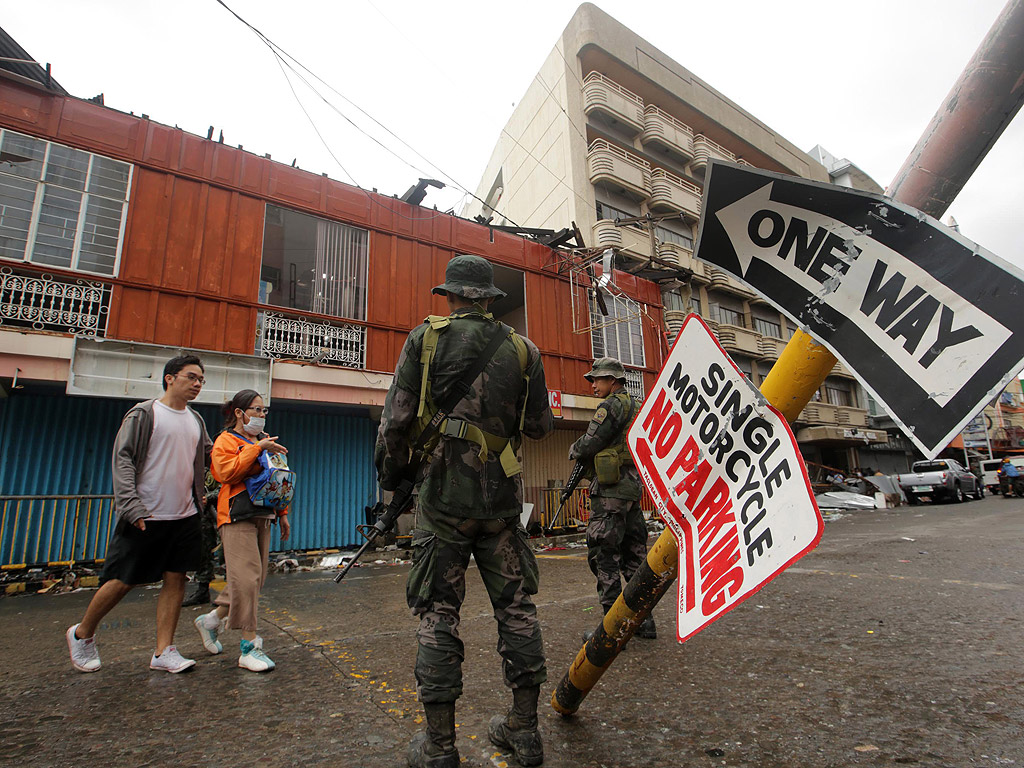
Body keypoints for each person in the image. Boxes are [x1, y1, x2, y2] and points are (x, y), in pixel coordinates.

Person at [376, 254, 554, 768]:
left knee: (438, 613)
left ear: (450, 296)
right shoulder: (524, 350)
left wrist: (396, 482)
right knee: (517, 609)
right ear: (490, 300)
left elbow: (395, 424)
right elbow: (541, 427)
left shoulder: (425, 339)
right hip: (501, 504)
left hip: (442, 503)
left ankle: (439, 746)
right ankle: (524, 731)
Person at [66, 355, 212, 674]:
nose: (198, 384)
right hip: (146, 513)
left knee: (176, 579)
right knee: (122, 580)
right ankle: (82, 633)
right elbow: (124, 460)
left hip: (184, 514)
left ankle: (163, 651)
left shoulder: (196, 420)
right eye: (192, 377)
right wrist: (130, 505)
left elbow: (209, 456)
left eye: (202, 379)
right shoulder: (145, 414)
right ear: (170, 378)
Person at [193, 390, 290, 672]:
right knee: (246, 579)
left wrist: (282, 514)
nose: (261, 415)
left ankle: (211, 621)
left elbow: (276, 478)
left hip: (263, 514)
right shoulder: (226, 441)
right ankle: (250, 646)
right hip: (235, 515)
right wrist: (256, 450)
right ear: (239, 412)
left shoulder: (263, 441)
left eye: (264, 411)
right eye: (256, 410)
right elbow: (225, 473)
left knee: (253, 581)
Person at [569, 357, 655, 641]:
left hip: (610, 493)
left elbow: (590, 444)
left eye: (597, 379)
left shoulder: (611, 406)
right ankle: (643, 621)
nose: (593, 385)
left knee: (603, 555)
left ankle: (612, 629)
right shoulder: (638, 407)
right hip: (631, 490)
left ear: (614, 380)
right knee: (634, 557)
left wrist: (575, 449)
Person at [182, 469, 221, 606]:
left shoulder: (214, 467)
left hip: (210, 518)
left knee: (207, 554)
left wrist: (208, 497)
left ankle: (206, 591)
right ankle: (202, 591)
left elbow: (225, 486)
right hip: (191, 515)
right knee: (199, 554)